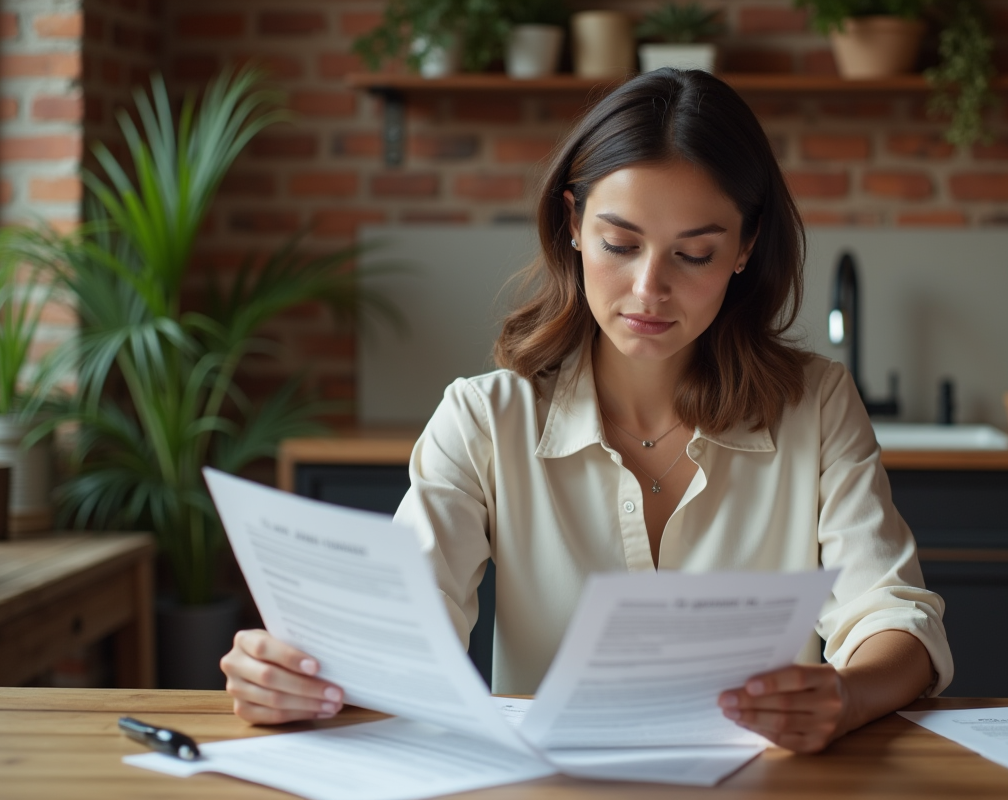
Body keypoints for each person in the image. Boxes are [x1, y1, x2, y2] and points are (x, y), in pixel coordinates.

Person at [221, 69, 953, 754]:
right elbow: (403, 625)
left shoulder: (816, 405)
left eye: (694, 255)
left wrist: (846, 696)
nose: (648, 288)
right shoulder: (484, 419)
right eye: (620, 243)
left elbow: (894, 616)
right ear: (572, 224)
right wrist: (294, 674)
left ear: (745, 246)